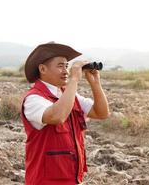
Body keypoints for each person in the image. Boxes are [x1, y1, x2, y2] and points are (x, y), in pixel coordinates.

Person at [20, 42, 109, 185]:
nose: (66, 71)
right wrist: (74, 79)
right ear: (42, 69)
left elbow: (102, 113)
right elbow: (58, 116)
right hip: (45, 181)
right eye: (60, 66)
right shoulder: (33, 99)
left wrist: (95, 84)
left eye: (67, 66)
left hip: (72, 178)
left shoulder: (68, 95)